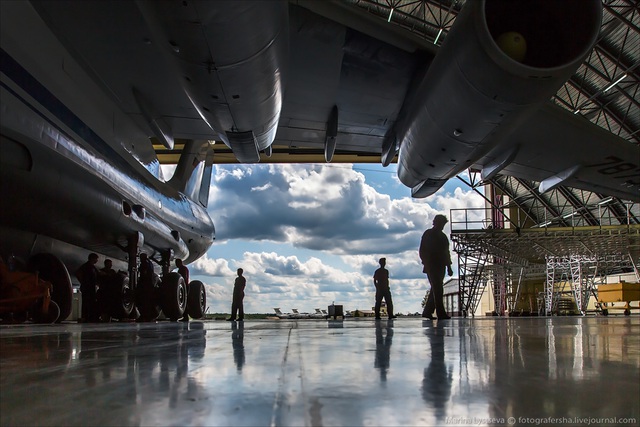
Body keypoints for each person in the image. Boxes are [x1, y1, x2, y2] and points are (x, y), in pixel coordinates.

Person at [419, 214, 453, 320]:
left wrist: (449, 266)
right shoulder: (428, 234)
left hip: (440, 266)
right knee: (438, 288)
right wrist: (426, 262)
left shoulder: (443, 237)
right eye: (441, 224)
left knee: (436, 288)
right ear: (436, 223)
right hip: (432, 265)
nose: (442, 226)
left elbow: (446, 253)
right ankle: (440, 313)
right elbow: (422, 250)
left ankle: (427, 311)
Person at [76, 253, 100, 322]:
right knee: (86, 302)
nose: (97, 261)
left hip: (91, 287)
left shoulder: (92, 267)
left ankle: (90, 317)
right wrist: (83, 282)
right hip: (87, 287)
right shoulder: (86, 266)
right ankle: (86, 317)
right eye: (96, 259)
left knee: (91, 302)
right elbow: (78, 273)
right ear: (93, 258)